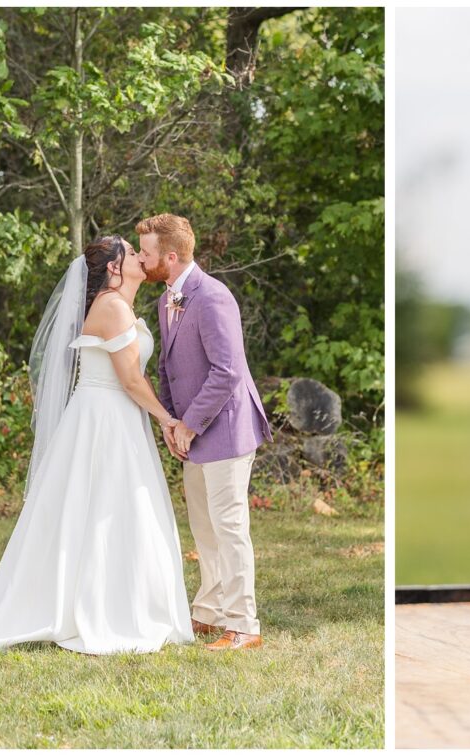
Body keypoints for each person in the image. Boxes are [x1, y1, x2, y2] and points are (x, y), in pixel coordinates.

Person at [0, 236, 194, 656]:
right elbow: (129, 379)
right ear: (113, 267)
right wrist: (168, 419)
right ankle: (101, 609)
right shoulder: (111, 307)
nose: (143, 258)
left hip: (116, 417)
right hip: (103, 419)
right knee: (103, 508)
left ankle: (119, 601)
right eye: (132, 252)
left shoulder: (119, 306)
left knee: (111, 510)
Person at [137, 213, 272, 652]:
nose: (142, 259)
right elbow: (167, 369)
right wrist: (174, 424)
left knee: (230, 527)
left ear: (170, 257)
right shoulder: (165, 301)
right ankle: (211, 612)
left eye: (147, 253)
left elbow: (227, 371)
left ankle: (244, 624)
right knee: (204, 528)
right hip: (190, 434)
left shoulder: (213, 296)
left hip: (226, 430)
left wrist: (190, 425)